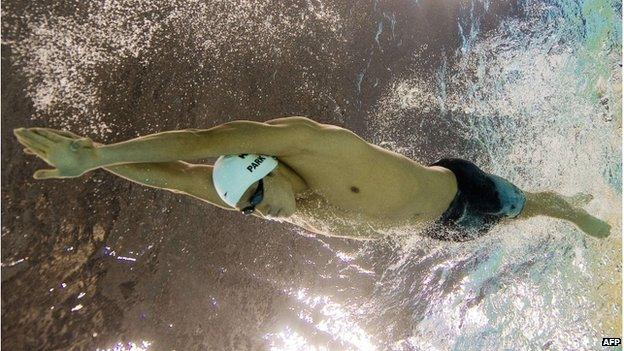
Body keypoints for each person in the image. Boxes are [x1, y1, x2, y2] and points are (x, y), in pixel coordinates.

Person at [13, 116, 611, 241]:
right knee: (509, 228)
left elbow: (199, 145)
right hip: (433, 231)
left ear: (265, 167)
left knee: (528, 207)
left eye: (257, 199)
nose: (262, 214)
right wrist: (99, 166)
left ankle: (578, 211)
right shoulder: (249, 196)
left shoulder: (313, 144)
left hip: (461, 192)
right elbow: (175, 177)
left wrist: (99, 150)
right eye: (247, 210)